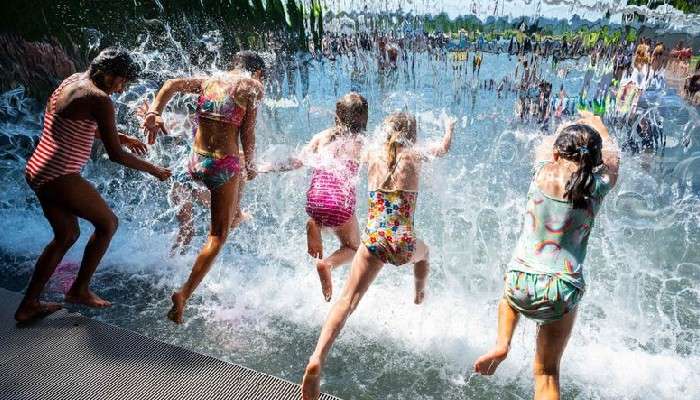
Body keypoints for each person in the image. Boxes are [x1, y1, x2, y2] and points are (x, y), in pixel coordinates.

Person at [301, 112, 456, 400]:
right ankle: (419, 294)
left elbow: (339, 159)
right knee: (425, 254)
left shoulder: (371, 153)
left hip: (373, 241)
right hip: (402, 244)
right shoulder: (416, 155)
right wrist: (449, 128)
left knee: (346, 302)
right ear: (413, 135)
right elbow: (443, 149)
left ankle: (318, 357)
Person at [16, 48, 172, 323]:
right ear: (107, 74)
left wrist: (121, 136)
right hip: (59, 174)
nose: (122, 89)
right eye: (121, 81)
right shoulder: (99, 99)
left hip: (39, 167)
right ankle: (79, 289)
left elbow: (81, 124)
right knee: (108, 224)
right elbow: (115, 155)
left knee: (66, 236)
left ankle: (29, 304)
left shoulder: (74, 81)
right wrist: (155, 170)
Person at [473, 111, 620, 400]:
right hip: (561, 289)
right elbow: (613, 158)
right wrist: (598, 123)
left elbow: (545, 145)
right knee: (547, 373)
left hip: (520, 280)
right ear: (595, 159)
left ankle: (502, 343)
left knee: (508, 297)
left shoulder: (540, 172)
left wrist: (565, 124)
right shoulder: (597, 187)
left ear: (556, 152)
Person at [143, 51, 265, 324]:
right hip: (222, 166)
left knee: (230, 205)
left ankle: (235, 213)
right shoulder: (252, 87)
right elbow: (248, 134)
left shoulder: (210, 80)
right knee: (218, 236)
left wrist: (154, 112)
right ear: (256, 73)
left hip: (196, 162)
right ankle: (184, 294)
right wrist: (253, 164)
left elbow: (171, 84)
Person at [261, 92, 368, 302]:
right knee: (353, 247)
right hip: (340, 205)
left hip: (315, 200)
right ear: (364, 119)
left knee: (323, 207)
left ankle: (315, 222)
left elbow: (297, 162)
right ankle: (327, 264)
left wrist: (265, 167)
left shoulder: (322, 137)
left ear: (337, 115)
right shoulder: (362, 143)